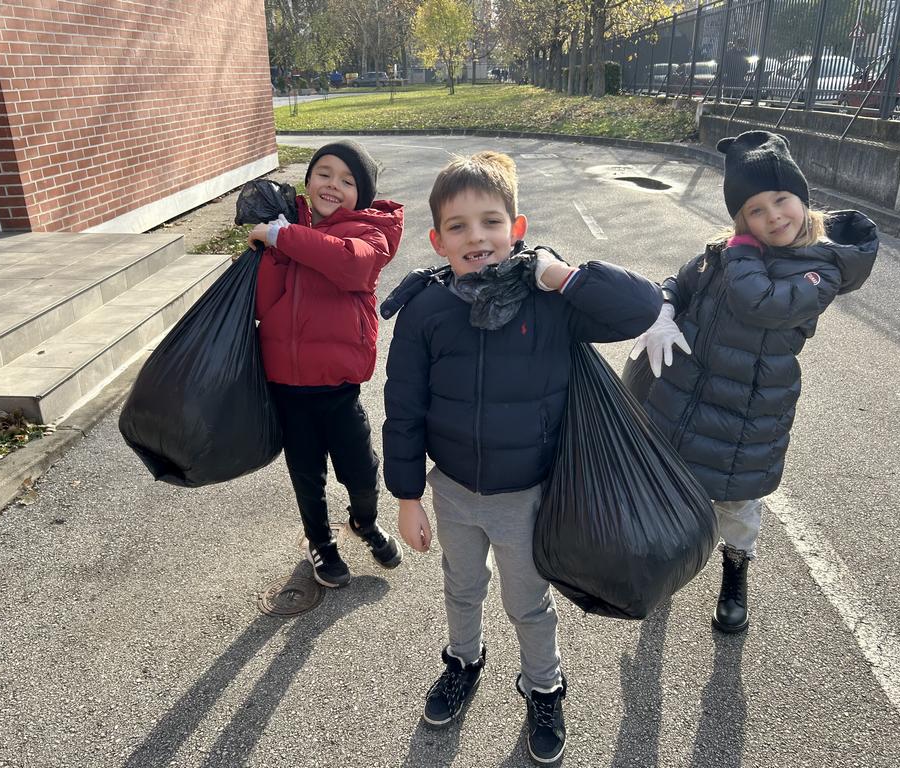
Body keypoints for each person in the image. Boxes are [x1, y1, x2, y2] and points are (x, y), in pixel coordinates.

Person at [382, 151, 661, 764]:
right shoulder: (427, 310)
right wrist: (407, 497)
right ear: (437, 240)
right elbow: (402, 408)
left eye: (491, 222)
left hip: (528, 495)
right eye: (458, 226)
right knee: (461, 587)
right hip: (454, 492)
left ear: (517, 228)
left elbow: (641, 307)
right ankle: (463, 660)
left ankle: (544, 687)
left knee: (528, 603)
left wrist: (561, 275)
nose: (475, 237)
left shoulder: (549, 301)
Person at [629, 130, 878, 633]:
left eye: (781, 200)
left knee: (737, 504)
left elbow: (760, 303)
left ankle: (735, 572)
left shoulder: (820, 268)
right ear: (742, 217)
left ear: (803, 199)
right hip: (684, 395)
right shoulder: (726, 251)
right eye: (755, 210)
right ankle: (668, 567)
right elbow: (680, 282)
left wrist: (740, 248)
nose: (773, 217)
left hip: (747, 411)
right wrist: (665, 310)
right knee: (673, 489)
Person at [248, 140, 405, 589]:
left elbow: (350, 264)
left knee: (362, 471)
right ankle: (320, 541)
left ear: (363, 194)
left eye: (347, 180)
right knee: (306, 475)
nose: (333, 185)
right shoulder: (286, 227)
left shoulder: (370, 232)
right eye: (324, 173)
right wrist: (271, 248)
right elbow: (263, 304)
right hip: (287, 389)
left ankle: (364, 521)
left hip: (339, 390)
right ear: (308, 179)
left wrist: (282, 237)